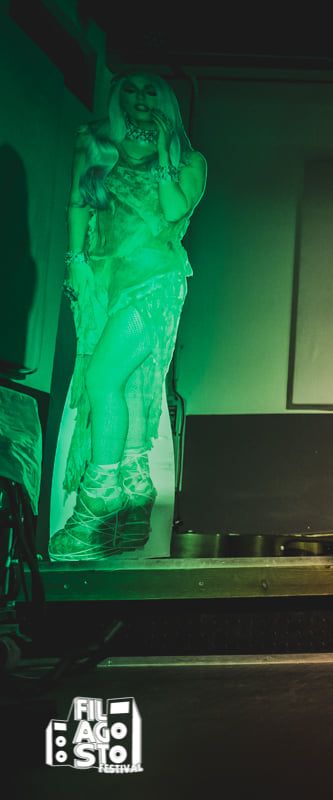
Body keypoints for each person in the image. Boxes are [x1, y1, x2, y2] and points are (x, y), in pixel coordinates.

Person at [50, 73, 207, 561]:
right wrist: (75, 262)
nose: (140, 98)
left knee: (102, 380)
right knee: (132, 386)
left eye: (150, 90)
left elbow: (175, 209)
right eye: (131, 89)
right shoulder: (96, 141)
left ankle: (98, 501)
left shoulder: (189, 160)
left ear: (167, 100)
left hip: (155, 280)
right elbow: (79, 203)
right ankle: (134, 499)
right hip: (103, 281)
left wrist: (163, 151)